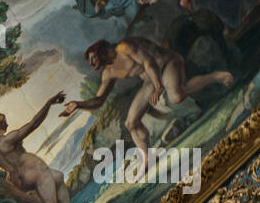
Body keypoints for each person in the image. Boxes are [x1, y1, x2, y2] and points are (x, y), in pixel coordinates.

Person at [61, 39, 233, 175]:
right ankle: (147, 157)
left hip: (166, 64)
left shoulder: (124, 47)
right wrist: (78, 104)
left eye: (93, 58)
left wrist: (159, 87)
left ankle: (216, 76)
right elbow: (99, 100)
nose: (91, 64)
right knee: (131, 123)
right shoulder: (108, 72)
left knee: (177, 96)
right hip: (150, 80)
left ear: (102, 51)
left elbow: (149, 62)